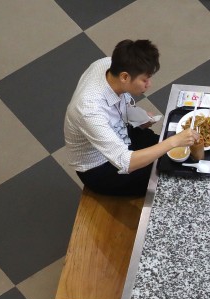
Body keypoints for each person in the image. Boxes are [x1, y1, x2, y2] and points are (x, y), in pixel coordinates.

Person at [64, 39, 199, 196]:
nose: (149, 84)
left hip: (121, 133)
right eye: (144, 79)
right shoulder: (89, 110)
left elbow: (117, 106)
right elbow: (125, 161)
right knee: (168, 175)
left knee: (175, 153)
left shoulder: (107, 64)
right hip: (101, 167)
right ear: (125, 77)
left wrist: (138, 117)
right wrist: (174, 141)